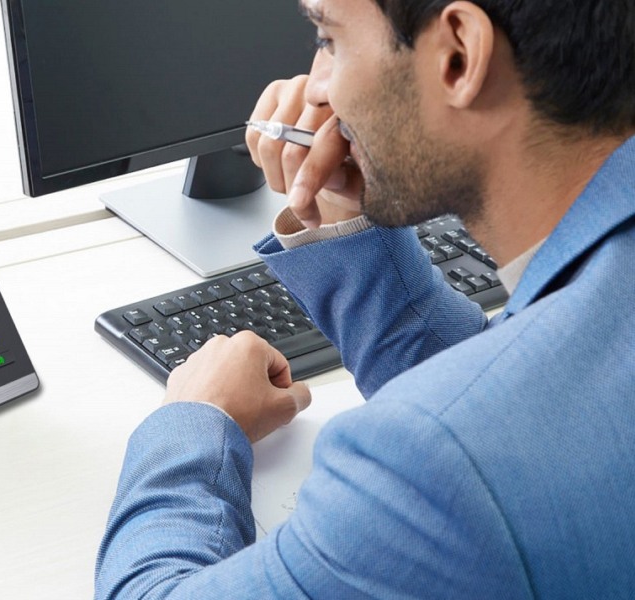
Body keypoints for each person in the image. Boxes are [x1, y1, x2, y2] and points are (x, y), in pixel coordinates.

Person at [96, 0, 635, 597]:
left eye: (328, 39)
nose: (315, 89)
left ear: (459, 56)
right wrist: (345, 216)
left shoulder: (430, 461)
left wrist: (194, 425)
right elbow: (528, 402)